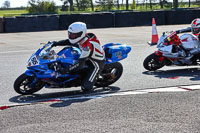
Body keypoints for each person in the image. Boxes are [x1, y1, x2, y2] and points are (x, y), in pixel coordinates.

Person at [52, 22, 105, 92]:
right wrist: (56, 43)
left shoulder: (87, 47)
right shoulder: (83, 37)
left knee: (86, 88)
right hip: (86, 54)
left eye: (73, 35)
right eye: (70, 34)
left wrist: (65, 70)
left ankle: (92, 81)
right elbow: (69, 41)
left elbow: (79, 65)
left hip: (96, 62)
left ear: (81, 34)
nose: (71, 36)